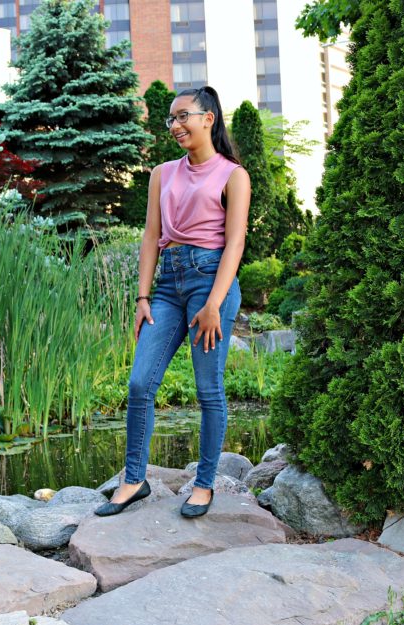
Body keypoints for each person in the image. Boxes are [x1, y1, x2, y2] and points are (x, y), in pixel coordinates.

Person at [96, 86, 250, 519]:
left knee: (208, 389)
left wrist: (215, 303)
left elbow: (235, 242)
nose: (175, 125)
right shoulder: (162, 173)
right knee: (140, 383)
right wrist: (143, 296)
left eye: (183, 116)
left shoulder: (233, 175)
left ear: (209, 118)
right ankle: (133, 480)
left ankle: (203, 485)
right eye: (171, 119)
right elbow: (150, 235)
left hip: (210, 281)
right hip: (167, 283)